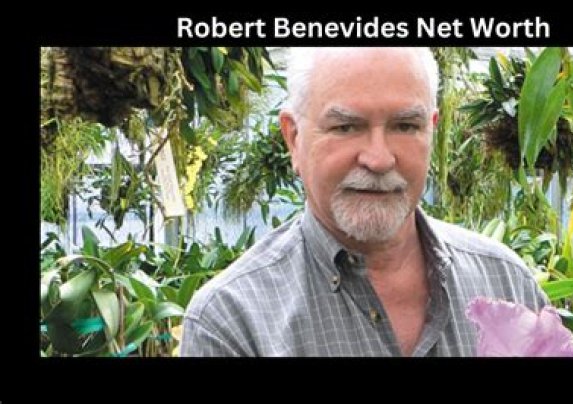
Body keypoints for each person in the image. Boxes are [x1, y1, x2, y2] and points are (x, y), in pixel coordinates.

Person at [181, 47, 549, 357]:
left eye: (405, 126)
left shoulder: (505, 283)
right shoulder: (234, 320)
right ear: (294, 138)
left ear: (432, 130)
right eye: (346, 127)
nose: (379, 159)